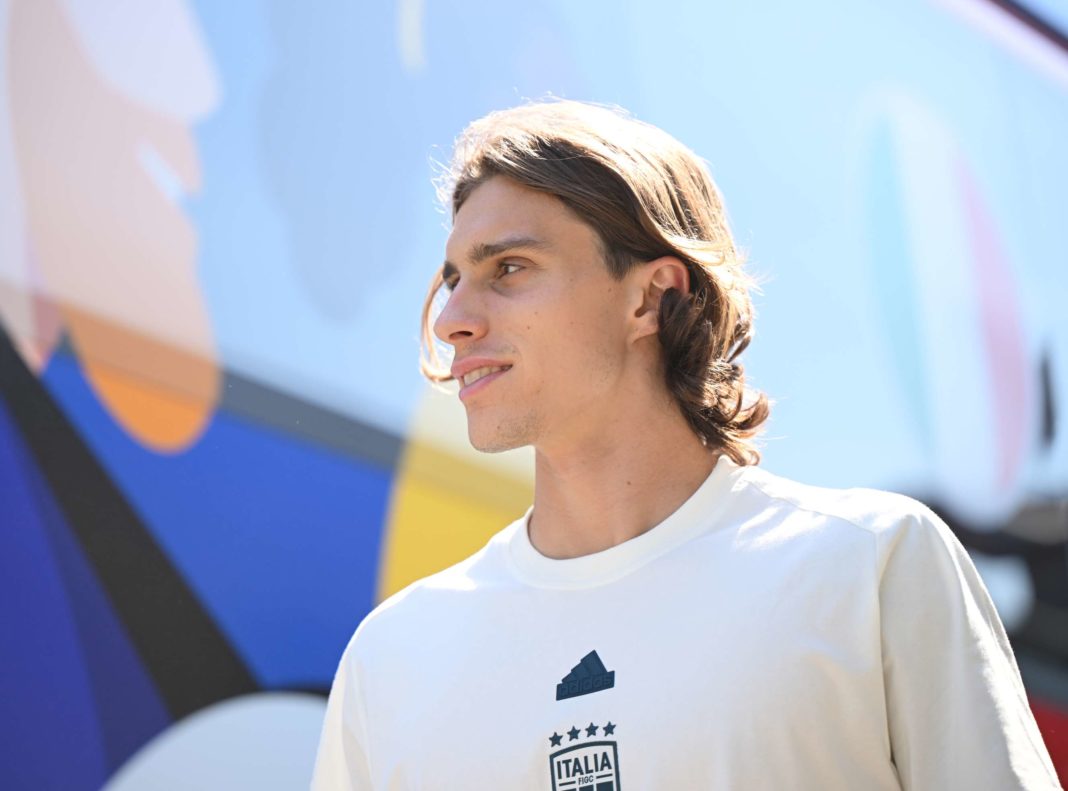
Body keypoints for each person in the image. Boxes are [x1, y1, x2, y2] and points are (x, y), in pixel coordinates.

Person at [311, 99, 1060, 790]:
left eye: (509, 269)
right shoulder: (393, 656)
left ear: (650, 295)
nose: (454, 320)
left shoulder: (869, 562)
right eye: (453, 280)